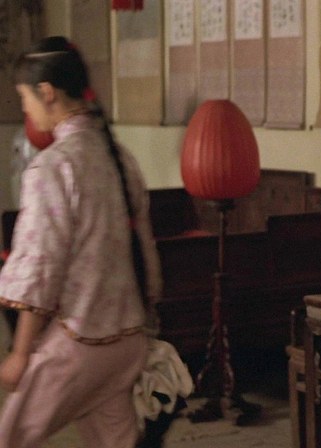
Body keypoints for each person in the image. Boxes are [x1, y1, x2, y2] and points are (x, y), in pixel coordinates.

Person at [0, 36, 162, 447]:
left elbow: (41, 264)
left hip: (80, 343)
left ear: (46, 92)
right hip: (128, 338)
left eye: (25, 98)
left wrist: (20, 352)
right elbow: (144, 246)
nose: (25, 109)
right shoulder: (120, 158)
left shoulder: (52, 167)